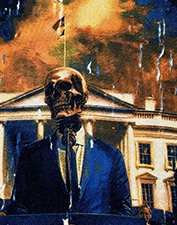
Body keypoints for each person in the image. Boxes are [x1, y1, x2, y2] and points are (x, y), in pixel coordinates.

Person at [7, 67, 132, 215]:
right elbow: (19, 207)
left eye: (64, 87)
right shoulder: (30, 155)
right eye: (50, 91)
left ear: (84, 97)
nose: (56, 95)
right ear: (47, 100)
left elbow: (124, 212)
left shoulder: (110, 156)